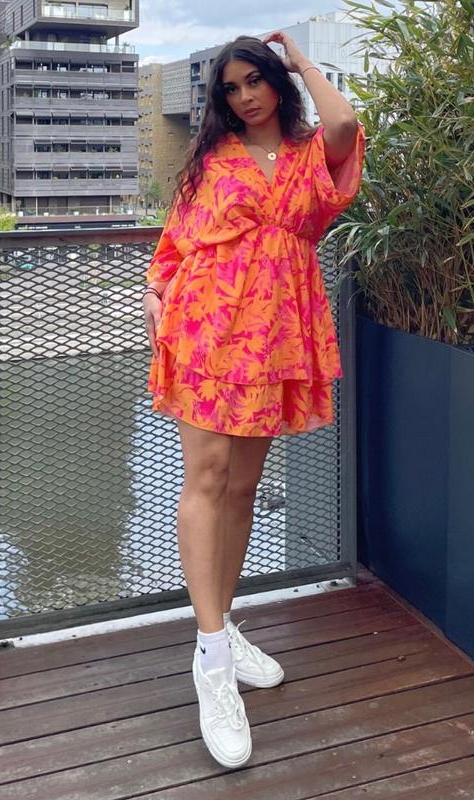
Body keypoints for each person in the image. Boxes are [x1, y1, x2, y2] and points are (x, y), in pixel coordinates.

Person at [142, 31, 364, 769]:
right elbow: (176, 242)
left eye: (255, 81)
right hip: (207, 325)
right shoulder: (211, 158)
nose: (244, 97)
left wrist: (302, 59)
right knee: (207, 480)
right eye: (231, 88)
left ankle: (222, 624)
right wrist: (154, 290)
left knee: (242, 487)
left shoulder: (309, 153)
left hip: (275, 333)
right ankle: (211, 659)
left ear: (277, 80)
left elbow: (343, 123)